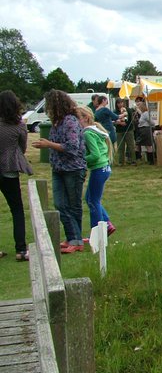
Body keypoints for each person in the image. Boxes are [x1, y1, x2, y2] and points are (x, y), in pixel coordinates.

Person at [32, 90, 87, 254]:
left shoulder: (70, 121)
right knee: (60, 204)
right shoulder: (57, 122)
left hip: (73, 169)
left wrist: (49, 144)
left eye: (49, 105)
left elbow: (72, 147)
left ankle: (75, 239)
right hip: (59, 168)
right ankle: (73, 237)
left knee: (73, 205)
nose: (48, 109)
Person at [0, 91, 33, 261]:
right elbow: (22, 147)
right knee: (17, 210)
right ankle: (21, 249)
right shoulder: (19, 125)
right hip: (9, 170)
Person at [75, 105, 115, 239]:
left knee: (93, 201)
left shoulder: (87, 133)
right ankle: (106, 223)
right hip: (104, 168)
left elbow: (95, 155)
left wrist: (81, 159)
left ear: (85, 118)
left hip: (99, 168)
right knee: (90, 198)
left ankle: (97, 231)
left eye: (77, 119)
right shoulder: (95, 130)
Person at [115, 98, 136, 166]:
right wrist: (119, 123)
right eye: (118, 103)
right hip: (119, 131)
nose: (120, 104)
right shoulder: (115, 111)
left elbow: (130, 119)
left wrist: (125, 120)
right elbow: (113, 120)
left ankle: (133, 161)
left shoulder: (128, 110)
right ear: (116, 104)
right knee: (120, 147)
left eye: (121, 103)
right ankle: (121, 162)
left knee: (131, 146)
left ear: (123, 103)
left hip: (128, 130)